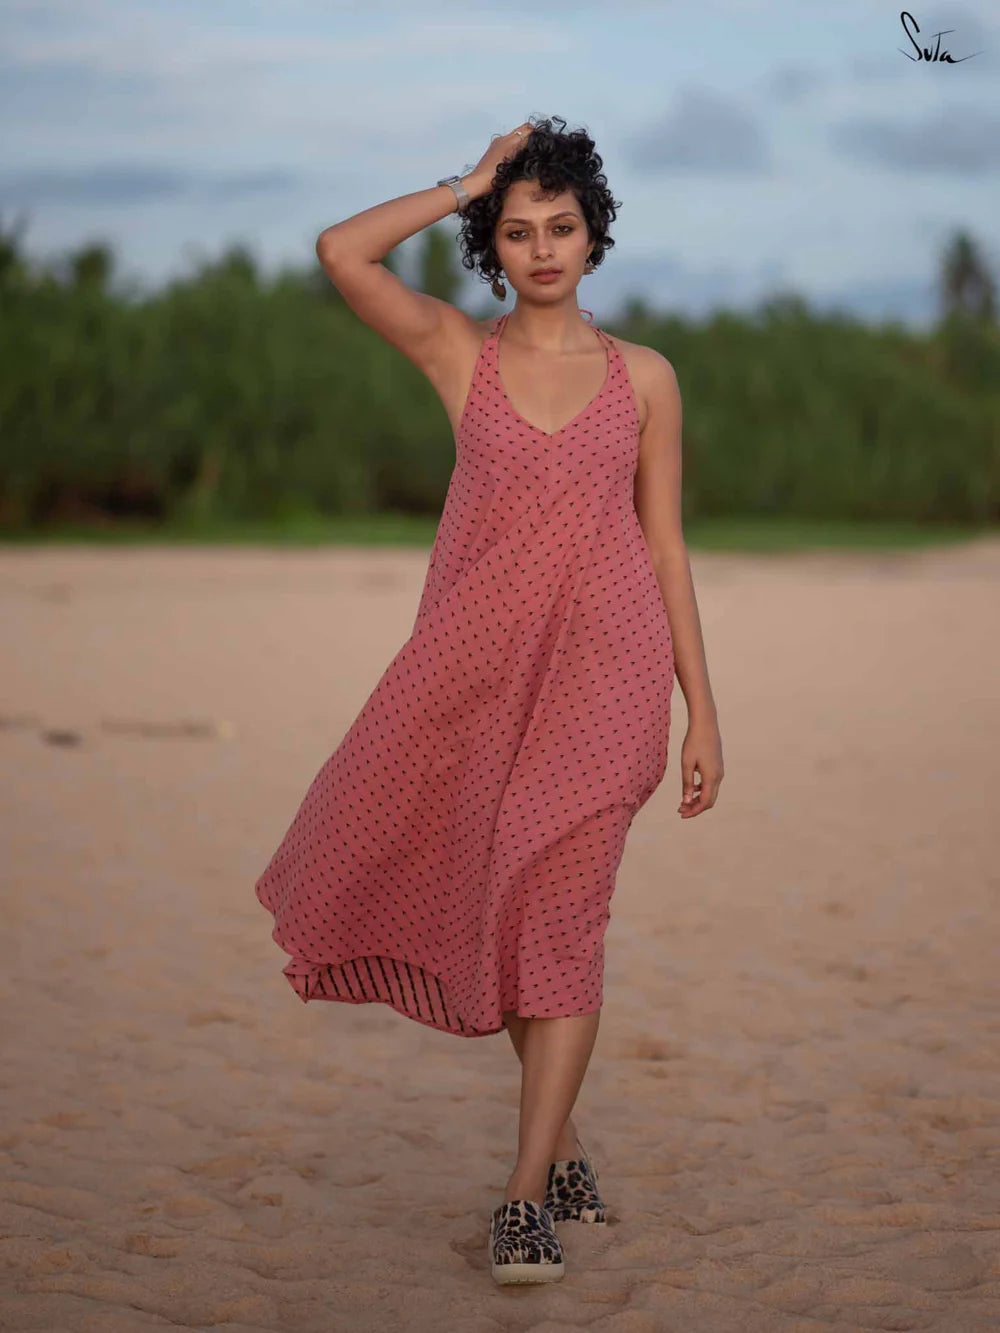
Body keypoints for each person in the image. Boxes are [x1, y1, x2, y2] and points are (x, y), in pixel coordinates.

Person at [254, 114, 724, 1286]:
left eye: (561, 226)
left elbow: (665, 550)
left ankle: (521, 1202)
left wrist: (701, 709)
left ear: (593, 234)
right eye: (516, 231)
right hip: (474, 683)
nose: (543, 248)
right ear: (493, 247)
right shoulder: (459, 355)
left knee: (559, 914)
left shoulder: (647, 381)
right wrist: (462, 179)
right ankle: (560, 1145)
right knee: (500, 915)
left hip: (609, 680)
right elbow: (338, 252)